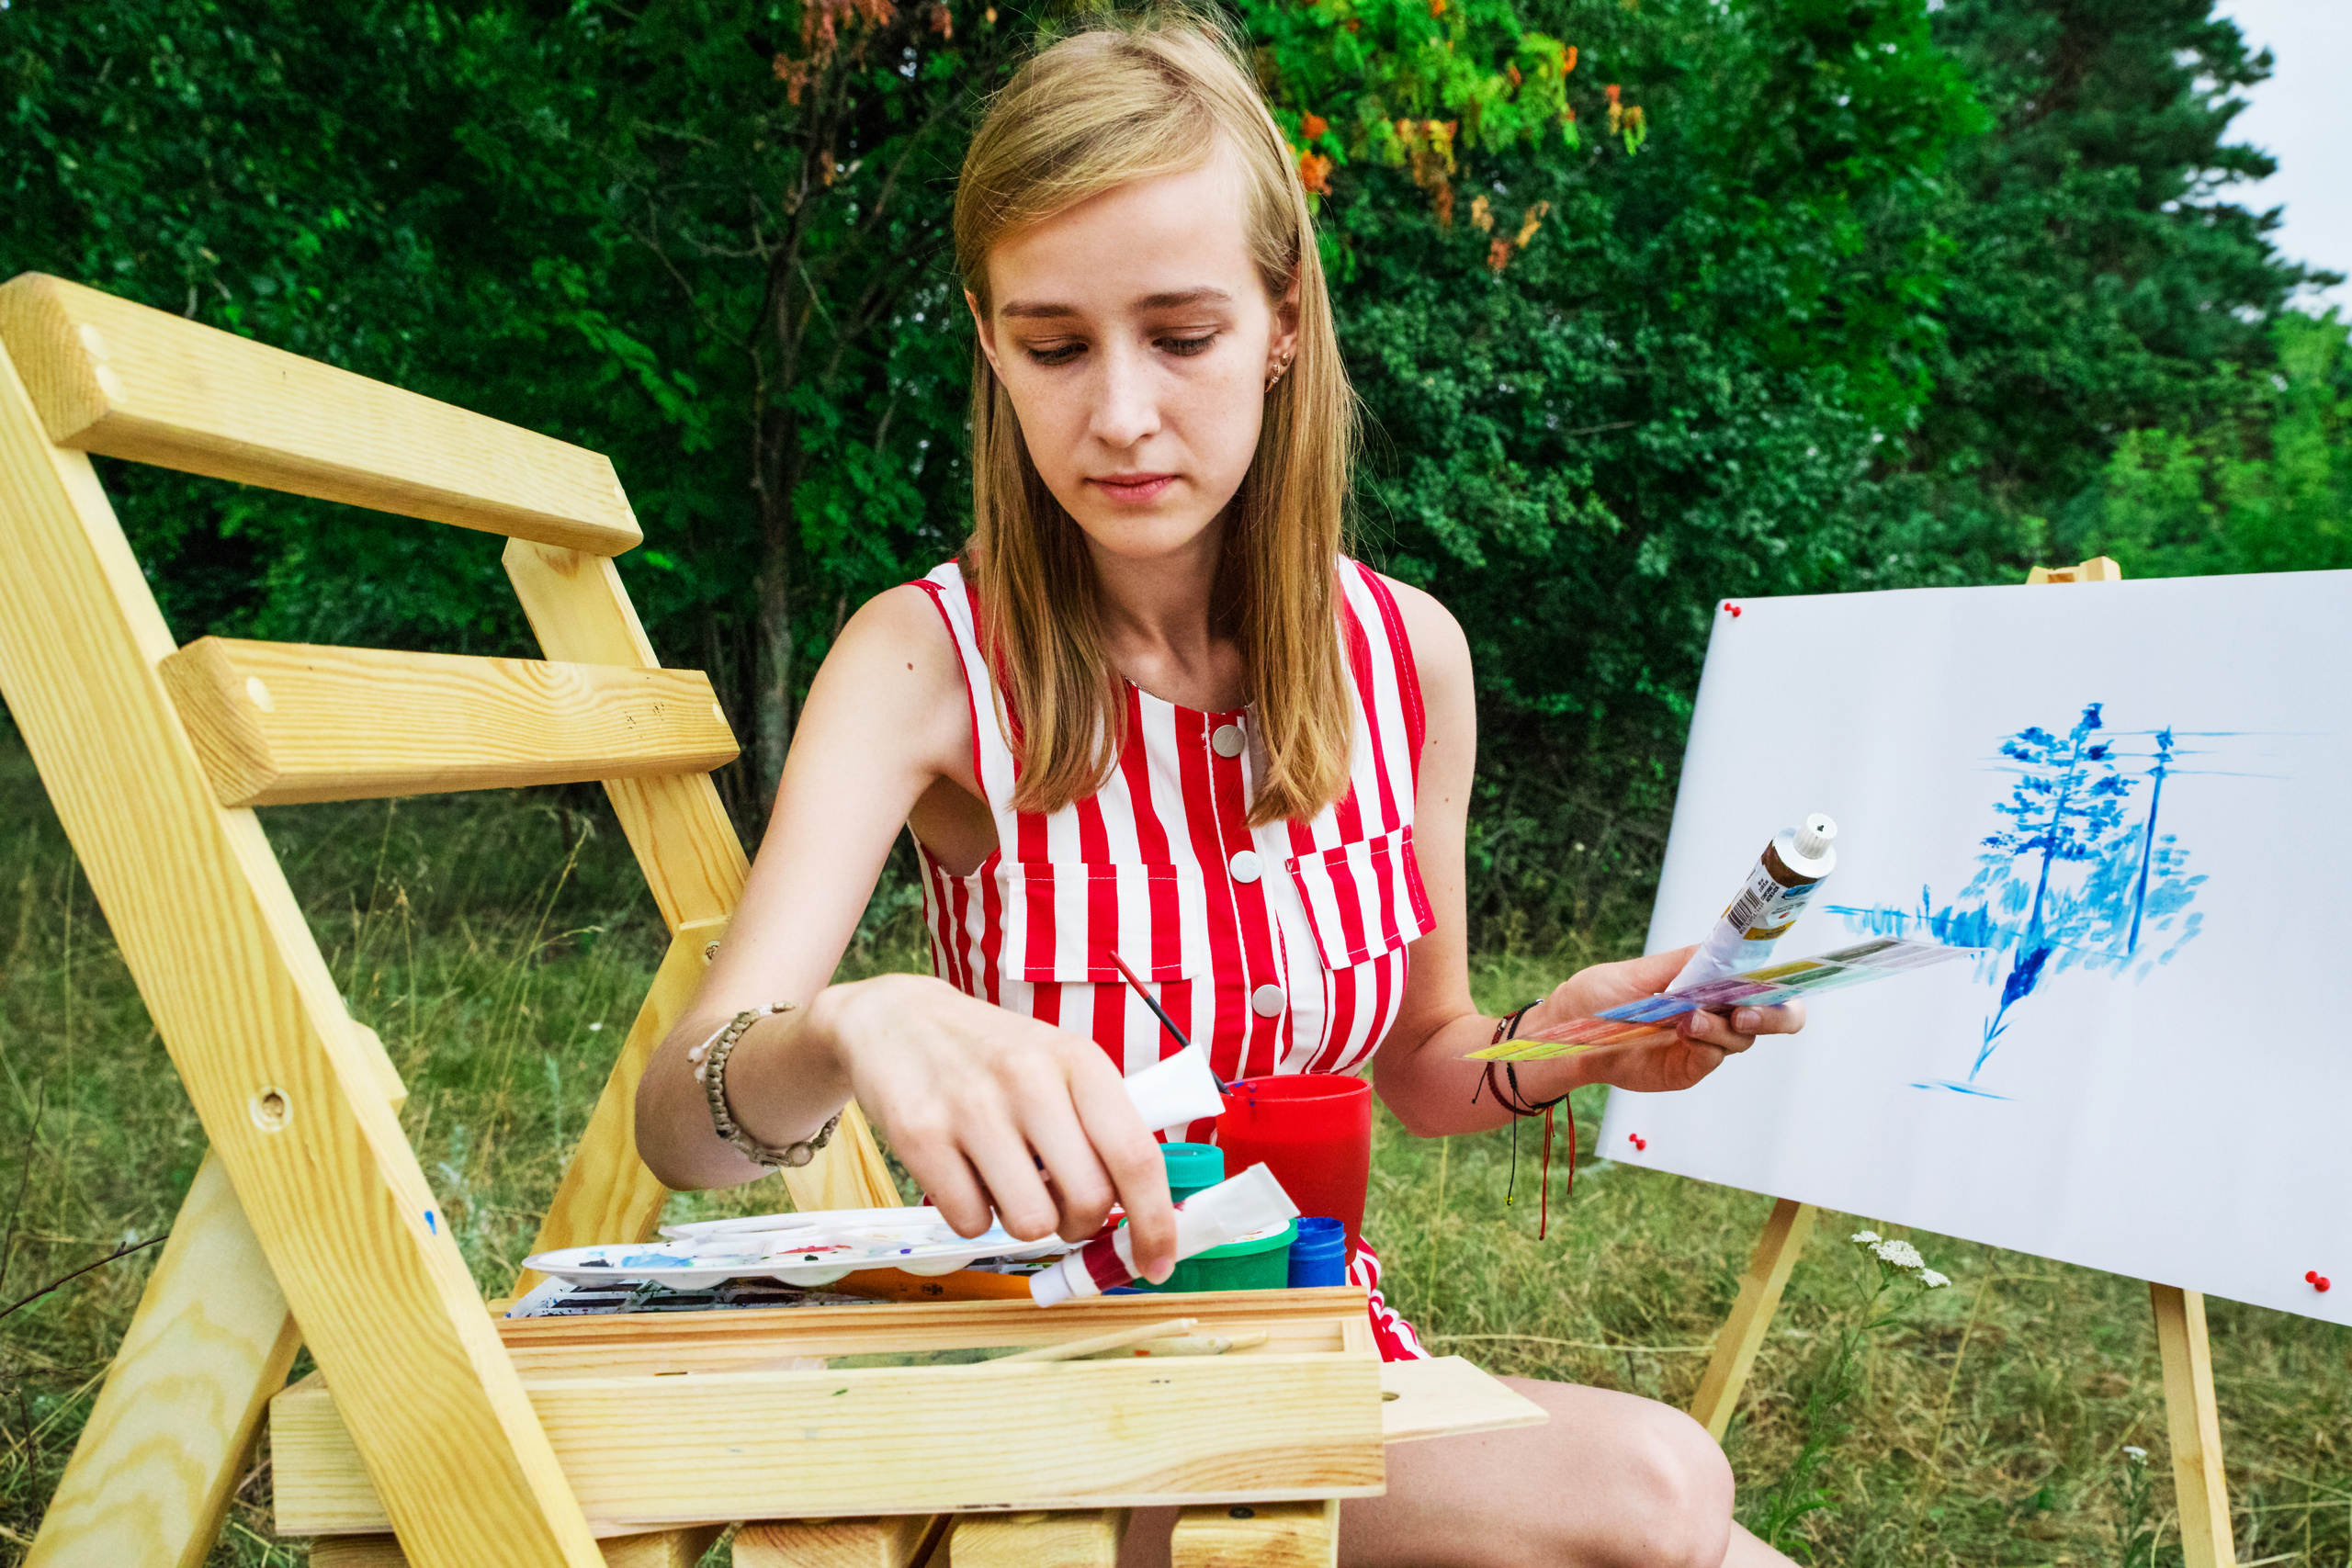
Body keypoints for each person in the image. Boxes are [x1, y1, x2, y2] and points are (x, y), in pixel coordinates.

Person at [635, 14, 1805, 1565]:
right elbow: (684, 1124)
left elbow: (1427, 1067)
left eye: (1179, 335)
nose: (1117, 413)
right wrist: (856, 1021)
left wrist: (1583, 1039)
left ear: (1280, 322)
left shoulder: (1409, 659)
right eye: (1054, 345)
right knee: (1658, 1496)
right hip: (1058, 1399)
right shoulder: (928, 659)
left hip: (1322, 1367)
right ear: (990, 342)